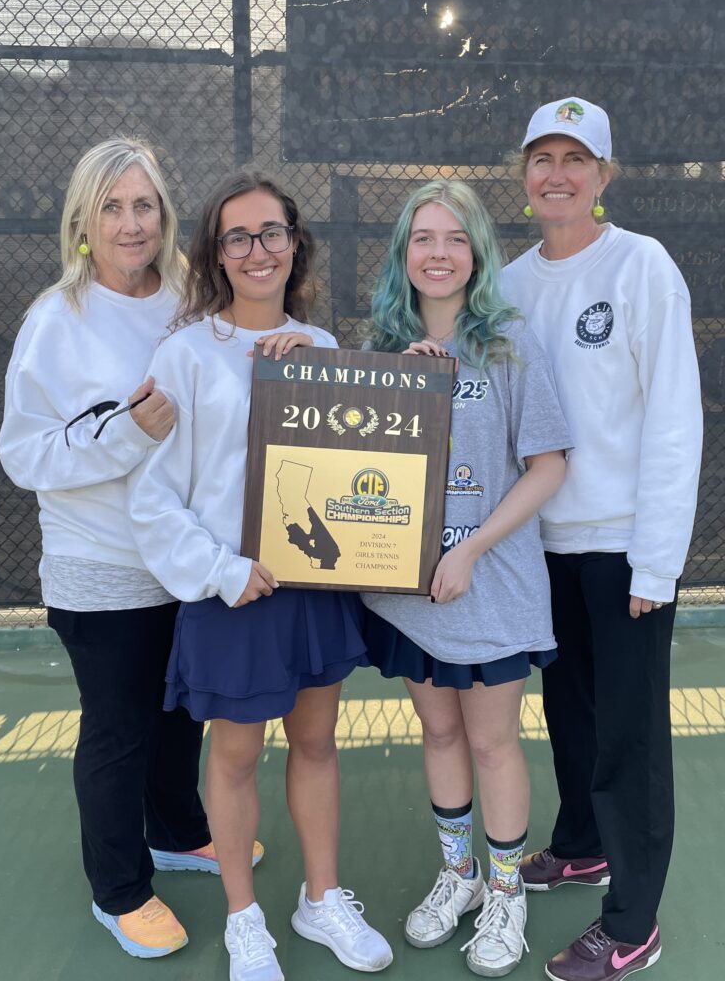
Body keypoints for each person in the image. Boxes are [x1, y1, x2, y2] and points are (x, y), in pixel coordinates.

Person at [0, 138, 264, 959]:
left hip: (183, 554)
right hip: (101, 568)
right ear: (84, 220)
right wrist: (122, 433)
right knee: (118, 729)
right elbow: (23, 455)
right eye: (111, 206)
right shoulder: (56, 320)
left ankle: (178, 829)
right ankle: (118, 889)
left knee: (179, 709)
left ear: (164, 214)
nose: (130, 222)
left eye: (143, 205)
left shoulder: (188, 294)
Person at [127, 168, 394, 981]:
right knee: (236, 757)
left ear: (294, 243)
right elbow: (153, 499)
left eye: (270, 232)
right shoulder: (183, 355)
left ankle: (321, 899)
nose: (256, 250)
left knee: (316, 744)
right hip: (232, 592)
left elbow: (360, 472)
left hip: (310, 585)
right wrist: (221, 570)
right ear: (216, 253)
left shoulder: (319, 348)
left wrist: (336, 363)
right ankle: (246, 921)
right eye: (237, 236)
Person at [502, 97, 703, 981]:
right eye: (542, 157)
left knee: (629, 734)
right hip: (537, 547)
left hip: (623, 546)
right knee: (568, 712)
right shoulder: (505, 285)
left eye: (575, 159)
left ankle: (631, 922)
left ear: (604, 177)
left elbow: (673, 421)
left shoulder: (642, 268)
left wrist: (656, 559)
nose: (557, 173)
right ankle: (581, 843)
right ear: (524, 176)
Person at [361, 180, 571, 976]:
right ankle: (460, 876)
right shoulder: (382, 348)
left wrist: (471, 548)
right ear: (403, 254)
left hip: (488, 584)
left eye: (454, 238)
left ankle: (508, 891)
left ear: (477, 251)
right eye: (423, 238)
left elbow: (547, 467)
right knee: (439, 732)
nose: (439, 253)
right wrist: (407, 391)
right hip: (411, 593)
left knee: (491, 741)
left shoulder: (509, 342)